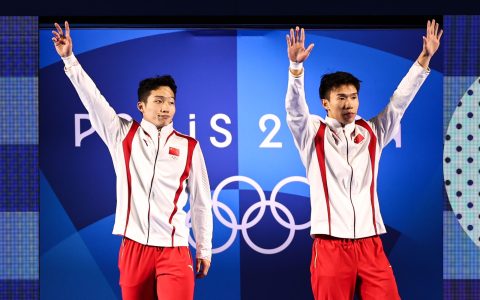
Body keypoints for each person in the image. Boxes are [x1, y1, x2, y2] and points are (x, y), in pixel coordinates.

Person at [52, 21, 213, 300]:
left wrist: (204, 248)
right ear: (141, 106)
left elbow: (201, 201)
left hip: (174, 251)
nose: (166, 107)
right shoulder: (122, 134)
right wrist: (69, 59)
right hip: (133, 249)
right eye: (159, 100)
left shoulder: (189, 146)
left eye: (171, 101)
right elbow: (93, 100)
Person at [285, 20, 442, 299]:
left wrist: (424, 58)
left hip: (371, 245)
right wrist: (296, 71)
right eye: (341, 98)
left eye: (354, 97)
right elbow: (295, 111)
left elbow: (399, 101)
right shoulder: (312, 133)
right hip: (331, 246)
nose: (349, 104)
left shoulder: (372, 131)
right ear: (326, 103)